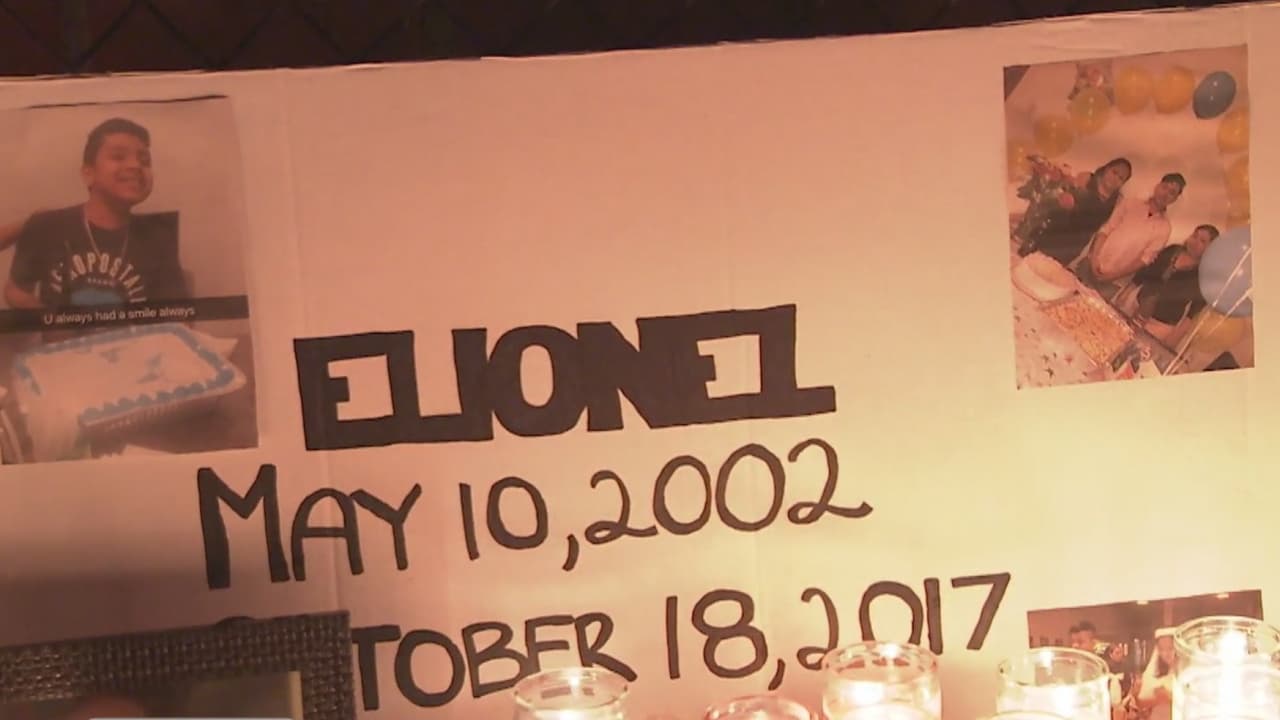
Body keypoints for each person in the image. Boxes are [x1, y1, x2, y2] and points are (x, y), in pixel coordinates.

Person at [4, 117, 187, 310]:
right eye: (118, 156)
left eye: (144, 160)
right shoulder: (46, 225)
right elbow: (16, 291)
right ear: (88, 173)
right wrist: (50, 319)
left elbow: (178, 314)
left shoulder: (159, 236)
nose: (135, 165)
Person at [1080, 173, 1186, 298]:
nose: (1165, 193)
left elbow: (1145, 259)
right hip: (1091, 263)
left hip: (1113, 282)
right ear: (1158, 186)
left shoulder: (1165, 228)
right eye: (1165, 187)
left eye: (1172, 193)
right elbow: (1106, 229)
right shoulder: (1131, 203)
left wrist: (1112, 276)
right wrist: (1094, 259)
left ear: (1174, 199)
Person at [1017, 158, 1132, 266]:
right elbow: (1062, 196)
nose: (1115, 178)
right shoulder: (1087, 178)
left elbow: (1102, 229)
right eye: (1114, 172)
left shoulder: (1117, 201)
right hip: (1054, 231)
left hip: (1072, 247)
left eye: (1121, 178)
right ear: (1107, 168)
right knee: (1025, 265)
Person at [1131, 224, 1219, 345]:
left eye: (1202, 241)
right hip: (1135, 306)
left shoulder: (1204, 278)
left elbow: (1192, 314)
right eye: (1195, 236)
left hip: (1159, 326)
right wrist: (1124, 295)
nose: (1195, 242)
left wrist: (1173, 340)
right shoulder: (1172, 250)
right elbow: (1145, 273)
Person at [1136, 631, 1178, 720]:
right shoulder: (1156, 672)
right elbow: (1141, 701)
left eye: (1170, 648)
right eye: (1162, 649)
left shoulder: (1189, 672)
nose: (1166, 653)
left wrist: (1169, 696)